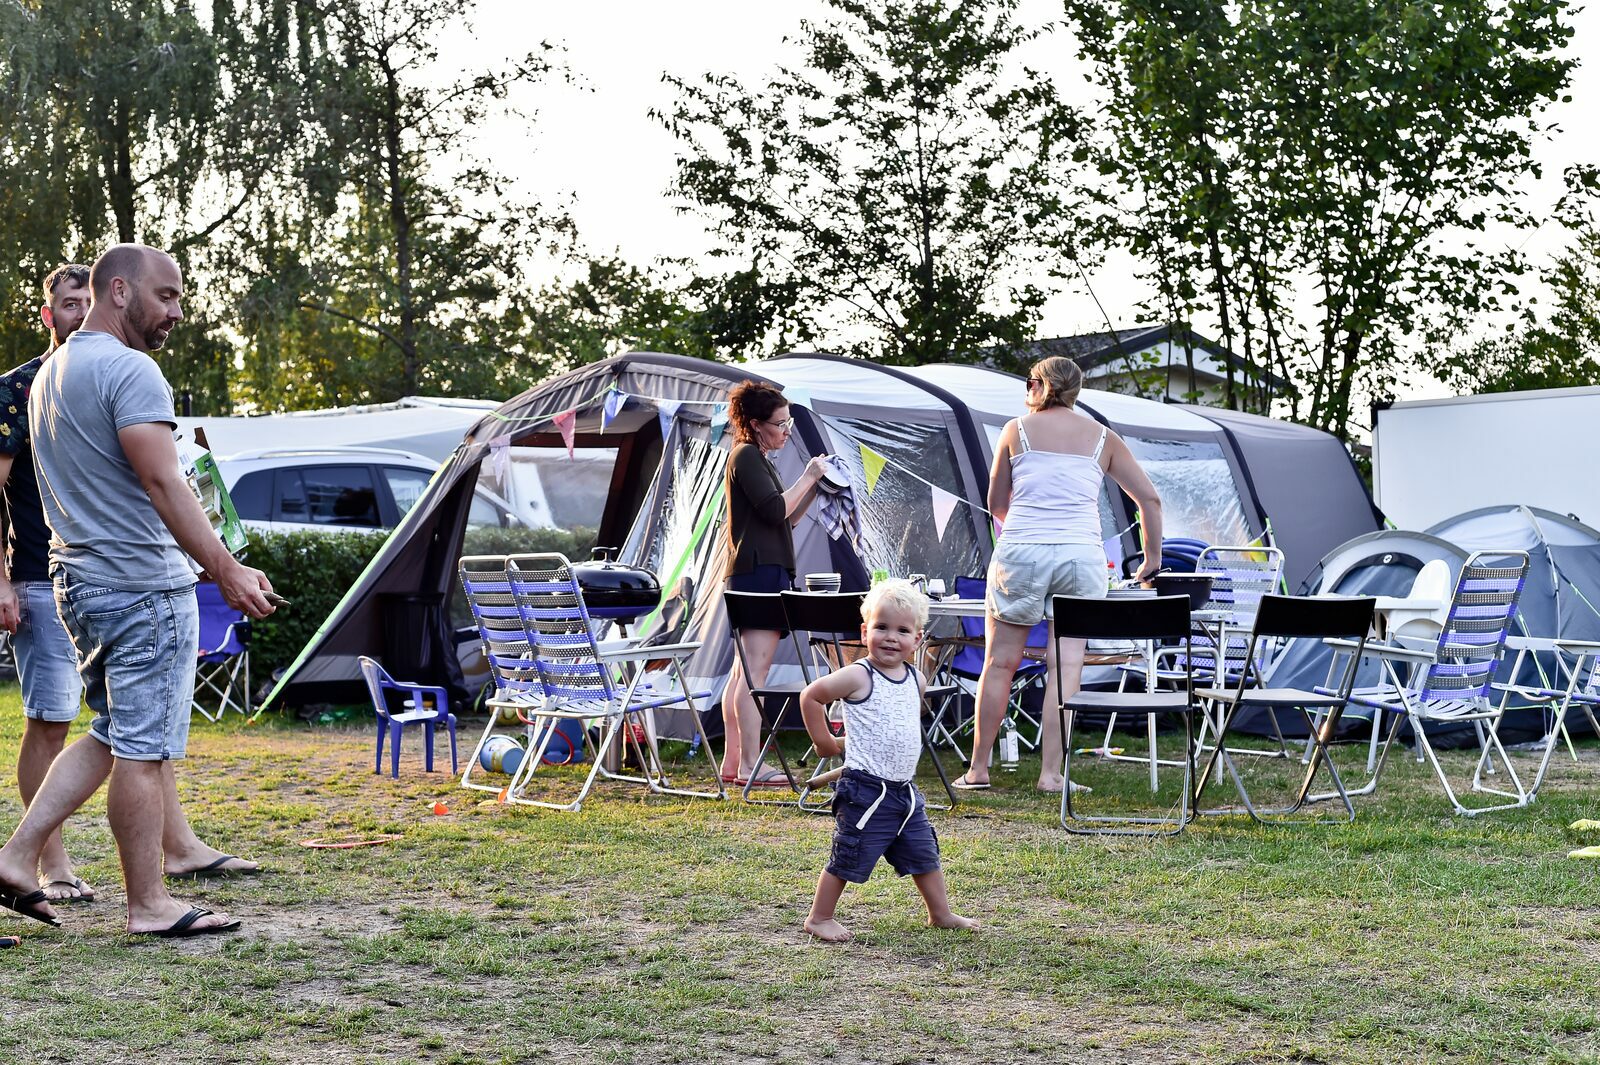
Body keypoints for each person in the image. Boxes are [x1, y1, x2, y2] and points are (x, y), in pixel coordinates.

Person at [0, 244, 275, 936]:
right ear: (118, 291)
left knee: (112, 733)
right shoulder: (131, 369)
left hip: (78, 582)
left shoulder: (50, 374)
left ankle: (16, 854)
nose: (177, 311)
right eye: (167, 295)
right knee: (144, 750)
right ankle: (150, 903)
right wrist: (226, 568)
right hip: (141, 586)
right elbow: (163, 482)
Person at [955, 356, 1163, 792]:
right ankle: (1051, 775)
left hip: (1022, 551)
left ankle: (978, 770)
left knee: (999, 664)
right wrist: (1151, 559)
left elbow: (997, 501)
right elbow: (1149, 500)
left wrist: (1025, 536)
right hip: (1080, 557)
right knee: (1066, 666)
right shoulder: (1103, 437)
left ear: (1039, 386)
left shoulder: (1016, 430)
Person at [798, 580, 977, 943]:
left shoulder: (917, 679)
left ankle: (940, 913)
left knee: (924, 851)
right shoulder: (858, 675)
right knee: (850, 852)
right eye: (881, 627)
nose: (891, 637)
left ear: (917, 638)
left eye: (902, 630)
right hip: (866, 789)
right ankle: (820, 916)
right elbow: (811, 697)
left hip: (904, 790)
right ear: (865, 632)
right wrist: (825, 742)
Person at [720, 380, 830, 786]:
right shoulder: (746, 455)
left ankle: (734, 764)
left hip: (758, 570)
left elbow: (788, 517)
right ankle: (750, 764)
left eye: (789, 422)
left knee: (742, 673)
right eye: (780, 424)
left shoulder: (756, 457)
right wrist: (807, 473)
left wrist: (816, 483)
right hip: (759, 573)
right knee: (754, 677)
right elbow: (774, 508)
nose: (787, 431)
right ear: (754, 424)